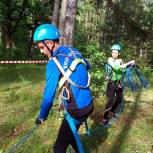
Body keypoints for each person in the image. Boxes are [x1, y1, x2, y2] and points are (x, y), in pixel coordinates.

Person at [33, 23, 94, 153]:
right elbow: (87, 66)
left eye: (41, 47)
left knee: (58, 148)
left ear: (50, 44)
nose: (41, 51)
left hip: (77, 110)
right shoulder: (73, 50)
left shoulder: (53, 63)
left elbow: (49, 97)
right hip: (88, 103)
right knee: (70, 137)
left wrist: (42, 116)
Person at [101, 44, 135, 126]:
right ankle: (104, 119)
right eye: (113, 52)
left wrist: (130, 65)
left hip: (119, 82)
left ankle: (111, 112)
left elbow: (122, 69)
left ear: (119, 53)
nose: (114, 54)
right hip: (111, 82)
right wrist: (128, 63)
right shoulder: (109, 59)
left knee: (119, 99)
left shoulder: (120, 60)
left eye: (116, 53)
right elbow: (116, 67)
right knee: (110, 100)